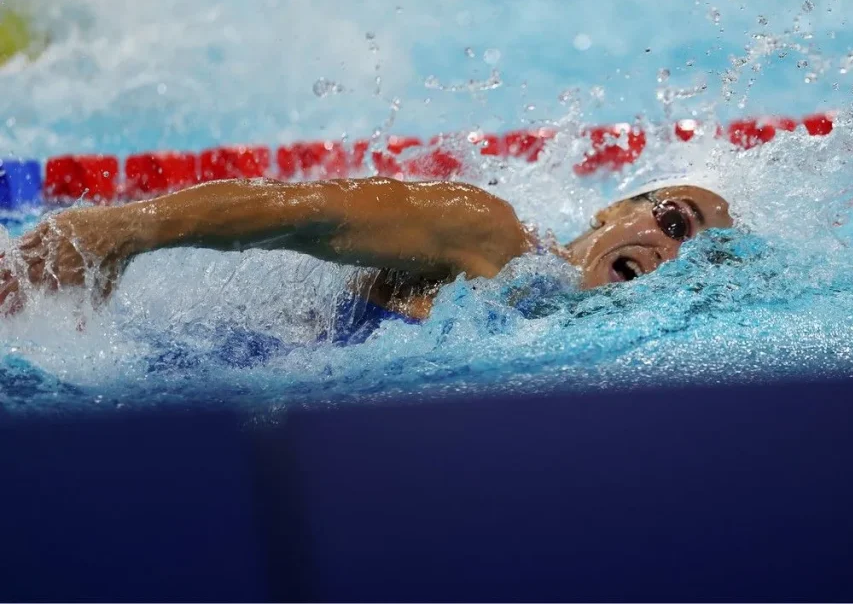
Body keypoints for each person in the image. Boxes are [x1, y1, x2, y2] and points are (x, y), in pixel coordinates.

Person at [0, 175, 733, 343]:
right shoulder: (490, 237)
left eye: (694, 259)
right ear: (613, 210)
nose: (672, 250)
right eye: (675, 220)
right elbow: (308, 212)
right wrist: (121, 229)